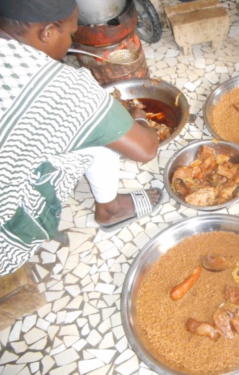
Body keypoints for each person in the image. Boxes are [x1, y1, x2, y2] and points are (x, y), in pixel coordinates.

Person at [0, 0, 162, 276]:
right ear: (48, 31)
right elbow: (146, 148)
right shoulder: (63, 87)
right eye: (71, 34)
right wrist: (136, 116)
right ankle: (109, 209)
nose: (70, 42)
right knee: (99, 129)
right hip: (5, 242)